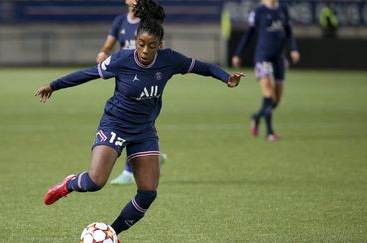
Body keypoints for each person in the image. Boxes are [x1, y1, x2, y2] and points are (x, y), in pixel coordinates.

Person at [35, 0, 245, 238]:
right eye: (141, 44)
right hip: (114, 124)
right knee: (95, 182)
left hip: (144, 131)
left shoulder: (170, 60)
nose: (145, 51)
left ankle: (112, 233)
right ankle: (68, 184)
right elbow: (88, 74)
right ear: (136, 41)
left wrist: (226, 78)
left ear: (160, 45)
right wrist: (54, 85)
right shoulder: (122, 60)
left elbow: (204, 67)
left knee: (148, 193)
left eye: (151, 46)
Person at [96, 0, 167, 185]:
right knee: (127, 117)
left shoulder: (148, 23)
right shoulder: (120, 21)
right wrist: (104, 53)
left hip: (146, 78)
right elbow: (108, 45)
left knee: (140, 121)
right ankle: (142, 161)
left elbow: (160, 48)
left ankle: (132, 168)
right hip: (126, 74)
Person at [232, 0, 300, 141]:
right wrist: (238, 53)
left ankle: (256, 116)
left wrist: (293, 49)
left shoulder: (283, 9)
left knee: (276, 100)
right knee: (268, 93)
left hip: (279, 59)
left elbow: (288, 31)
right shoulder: (258, 11)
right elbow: (249, 34)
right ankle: (269, 132)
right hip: (263, 57)